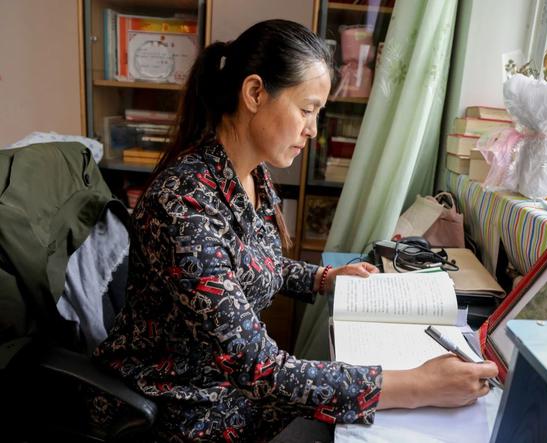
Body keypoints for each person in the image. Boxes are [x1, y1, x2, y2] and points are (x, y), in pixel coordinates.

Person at [90, 19, 498, 441]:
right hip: (183, 406)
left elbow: (251, 262)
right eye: (306, 109)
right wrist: (416, 386)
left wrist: (323, 278)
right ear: (254, 93)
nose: (313, 130)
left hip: (230, 387)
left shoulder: (250, 174)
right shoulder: (184, 205)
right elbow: (260, 370)